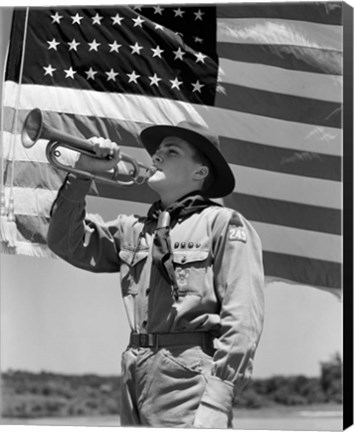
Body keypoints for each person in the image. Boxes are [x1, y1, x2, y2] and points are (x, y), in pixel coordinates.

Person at [47, 120, 265, 428]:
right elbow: (65, 242)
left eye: (171, 151)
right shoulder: (132, 230)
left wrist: (219, 396)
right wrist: (83, 171)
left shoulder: (223, 224)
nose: (157, 156)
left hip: (189, 376)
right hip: (135, 372)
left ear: (199, 172)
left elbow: (243, 318)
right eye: (158, 151)